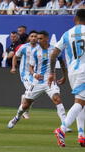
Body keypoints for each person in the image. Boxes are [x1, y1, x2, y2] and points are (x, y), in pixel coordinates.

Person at [7, 31, 69, 132]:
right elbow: (30, 67)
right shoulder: (35, 51)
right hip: (37, 82)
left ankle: (65, 124)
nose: (38, 40)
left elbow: (62, 62)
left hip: (50, 80)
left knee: (57, 99)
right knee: (26, 104)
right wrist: (35, 74)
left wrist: (64, 76)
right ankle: (16, 118)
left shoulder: (54, 50)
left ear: (46, 39)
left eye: (40, 38)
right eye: (37, 38)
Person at [49, 9, 85, 147]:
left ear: (75, 18)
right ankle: (62, 129)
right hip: (84, 70)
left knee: (81, 102)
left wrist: (52, 73)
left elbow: (54, 55)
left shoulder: (67, 34)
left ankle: (81, 136)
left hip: (73, 72)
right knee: (80, 102)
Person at [10, 30, 39, 119]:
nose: (33, 38)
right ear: (29, 38)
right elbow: (15, 56)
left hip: (34, 73)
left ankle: (24, 104)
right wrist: (13, 67)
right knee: (31, 90)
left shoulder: (40, 48)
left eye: (35, 36)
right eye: (32, 36)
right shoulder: (23, 47)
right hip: (25, 73)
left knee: (31, 92)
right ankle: (25, 112)